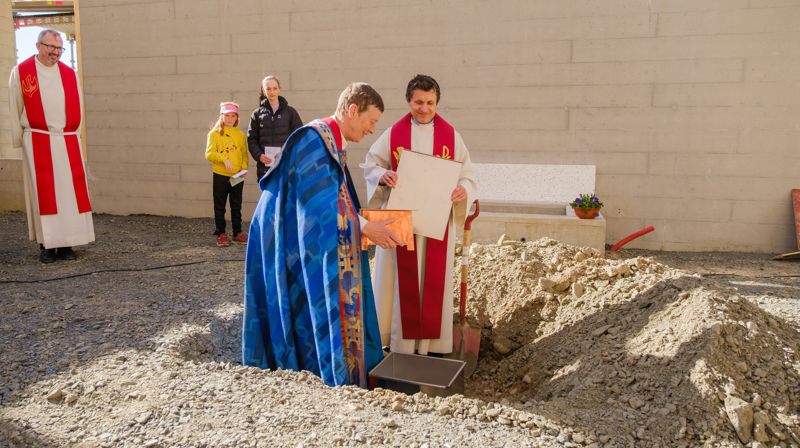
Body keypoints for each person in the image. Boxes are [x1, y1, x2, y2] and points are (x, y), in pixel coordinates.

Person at [243, 82, 402, 388]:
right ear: (352, 110)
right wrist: (365, 227)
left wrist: (364, 223)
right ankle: (318, 369)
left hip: (296, 231)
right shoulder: (313, 140)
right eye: (371, 121)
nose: (372, 130)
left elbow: (336, 197)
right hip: (280, 234)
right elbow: (319, 206)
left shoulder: (331, 142)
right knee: (309, 293)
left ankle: (321, 365)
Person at [363, 74, 477, 356]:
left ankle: (430, 345)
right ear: (408, 101)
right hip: (402, 220)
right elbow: (371, 164)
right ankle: (397, 342)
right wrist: (383, 175)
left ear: (437, 102)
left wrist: (462, 189)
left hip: (436, 220)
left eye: (430, 102)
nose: (424, 108)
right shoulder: (394, 134)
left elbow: (468, 175)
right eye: (418, 102)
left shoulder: (452, 136)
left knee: (432, 279)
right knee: (399, 281)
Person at [9, 29, 94, 264]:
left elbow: (79, 106)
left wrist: (76, 135)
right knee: (43, 195)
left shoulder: (69, 74)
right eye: (51, 47)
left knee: (69, 196)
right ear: (38, 46)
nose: (55, 53)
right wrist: (19, 138)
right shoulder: (22, 72)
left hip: (67, 140)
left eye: (59, 48)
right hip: (38, 139)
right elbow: (15, 106)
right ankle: (47, 245)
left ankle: (67, 244)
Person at [205, 102, 249, 247]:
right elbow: (209, 154)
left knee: (236, 205)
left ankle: (237, 232)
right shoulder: (214, 134)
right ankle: (221, 233)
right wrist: (223, 159)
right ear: (222, 116)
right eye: (227, 115)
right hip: (220, 175)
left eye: (233, 116)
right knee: (220, 205)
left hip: (237, 176)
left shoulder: (240, 134)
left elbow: (244, 154)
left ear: (237, 118)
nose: (230, 119)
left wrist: (243, 169)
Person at [246, 75, 303, 180]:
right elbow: (251, 139)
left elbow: (299, 137)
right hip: (264, 168)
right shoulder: (257, 114)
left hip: (286, 165)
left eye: (275, 88)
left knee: (285, 191)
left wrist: (286, 153)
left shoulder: (290, 112)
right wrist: (259, 155)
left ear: (279, 89)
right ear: (264, 91)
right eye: (268, 89)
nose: (272, 92)